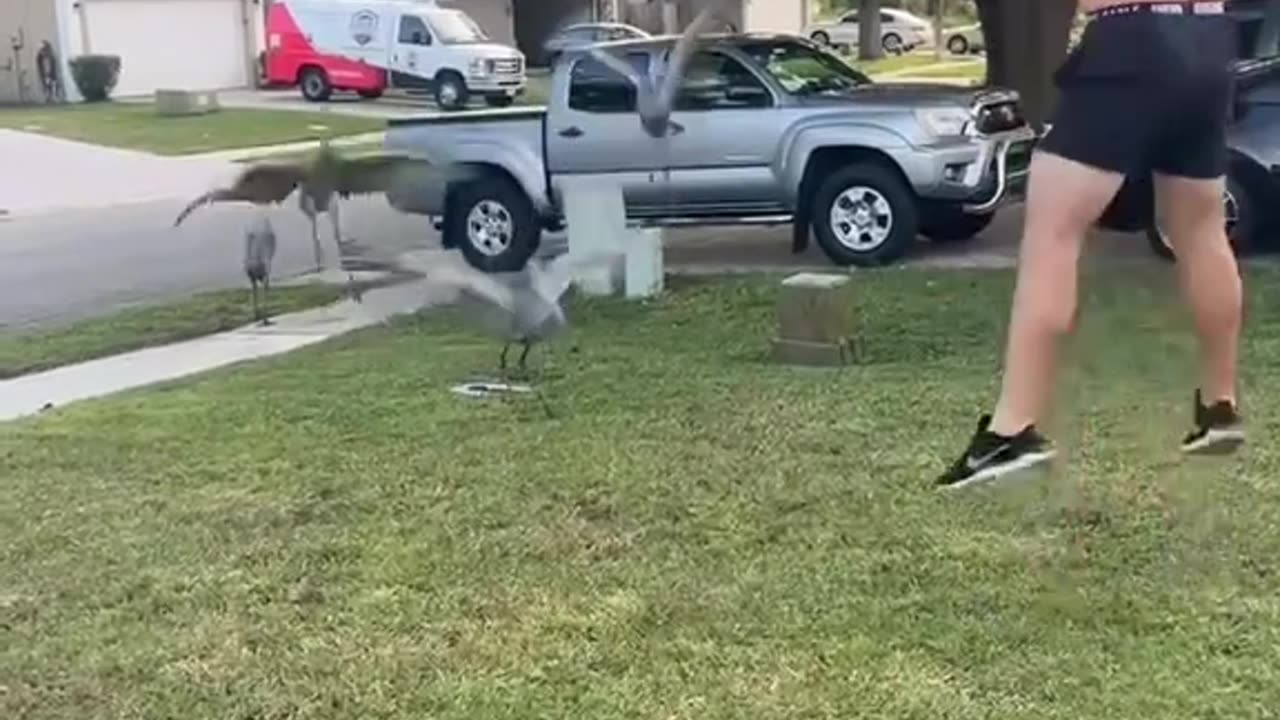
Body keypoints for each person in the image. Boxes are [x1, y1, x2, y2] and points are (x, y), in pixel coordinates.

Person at [937, 0, 1247, 489]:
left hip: (1130, 39)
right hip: (1209, 42)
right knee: (1201, 231)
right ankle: (1220, 406)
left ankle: (1011, 430)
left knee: (1052, 232)